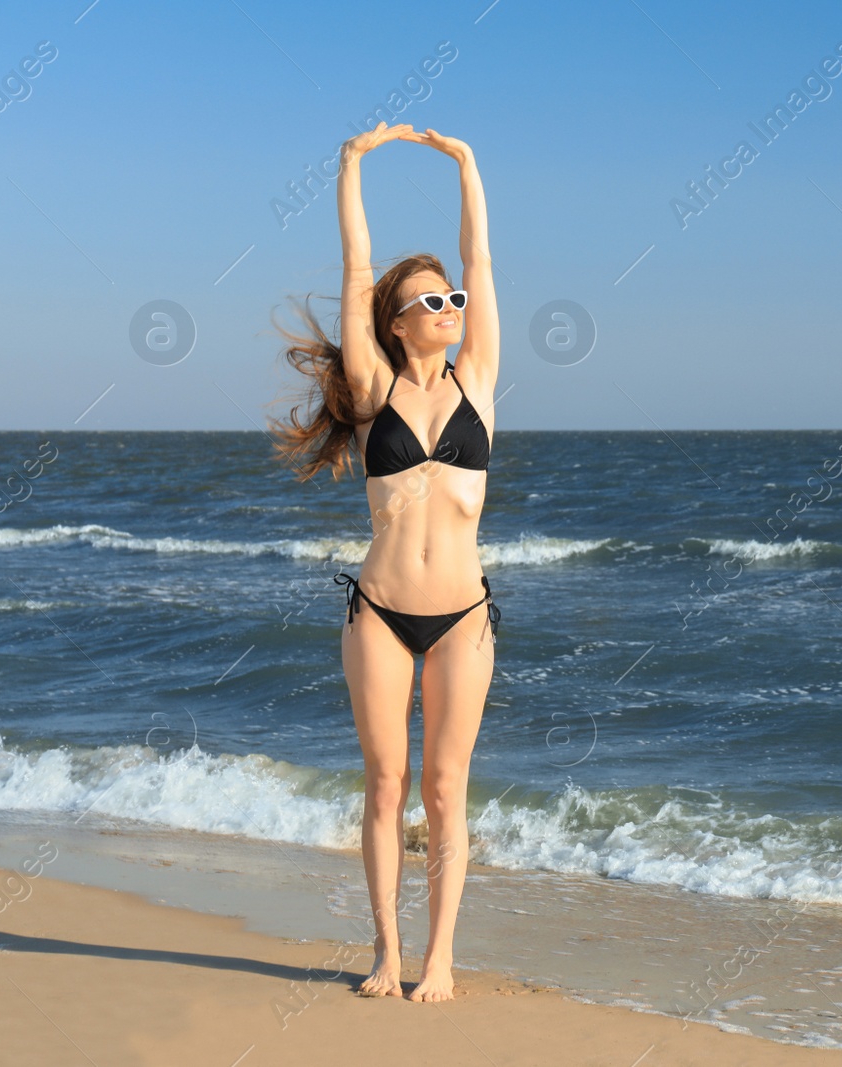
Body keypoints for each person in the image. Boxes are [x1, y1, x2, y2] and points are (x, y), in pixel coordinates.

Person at [269, 121, 500, 1002]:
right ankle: (387, 952)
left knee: (446, 787)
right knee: (386, 782)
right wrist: (352, 163)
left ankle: (440, 957)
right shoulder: (374, 392)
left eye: (453, 302)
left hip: (464, 617)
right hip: (380, 612)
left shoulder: (478, 379)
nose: (450, 310)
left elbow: (483, 263)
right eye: (431, 302)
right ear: (399, 323)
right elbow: (357, 269)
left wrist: (466, 165)